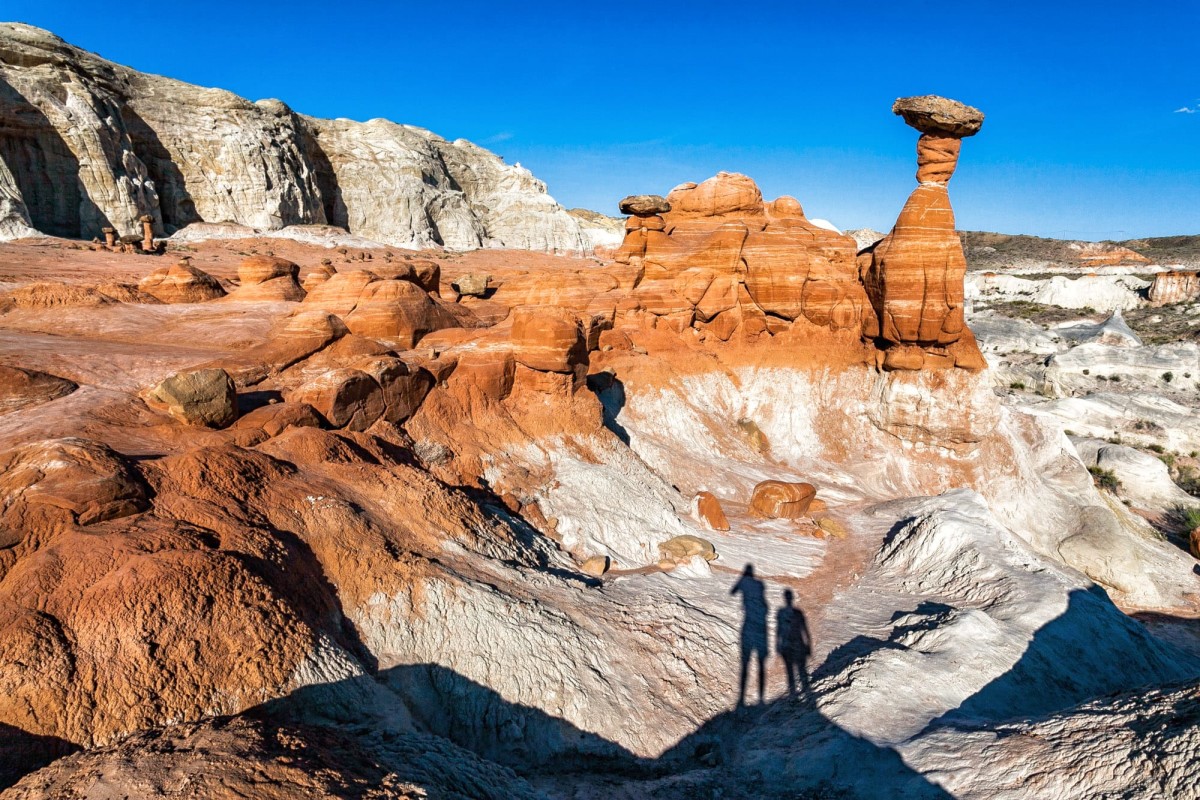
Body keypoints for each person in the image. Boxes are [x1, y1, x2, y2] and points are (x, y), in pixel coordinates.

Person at [730, 564, 768, 707]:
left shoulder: (744, 582)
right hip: (760, 625)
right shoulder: (759, 584)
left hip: (748, 624)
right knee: (761, 662)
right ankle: (761, 698)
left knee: (745, 663)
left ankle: (742, 697)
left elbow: (732, 592)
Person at [775, 588, 812, 697]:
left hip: (793, 644)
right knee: (796, 670)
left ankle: (797, 694)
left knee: (795, 670)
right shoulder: (792, 613)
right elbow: (805, 630)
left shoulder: (783, 613)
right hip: (791, 644)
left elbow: (804, 629)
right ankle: (802, 693)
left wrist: (778, 644)